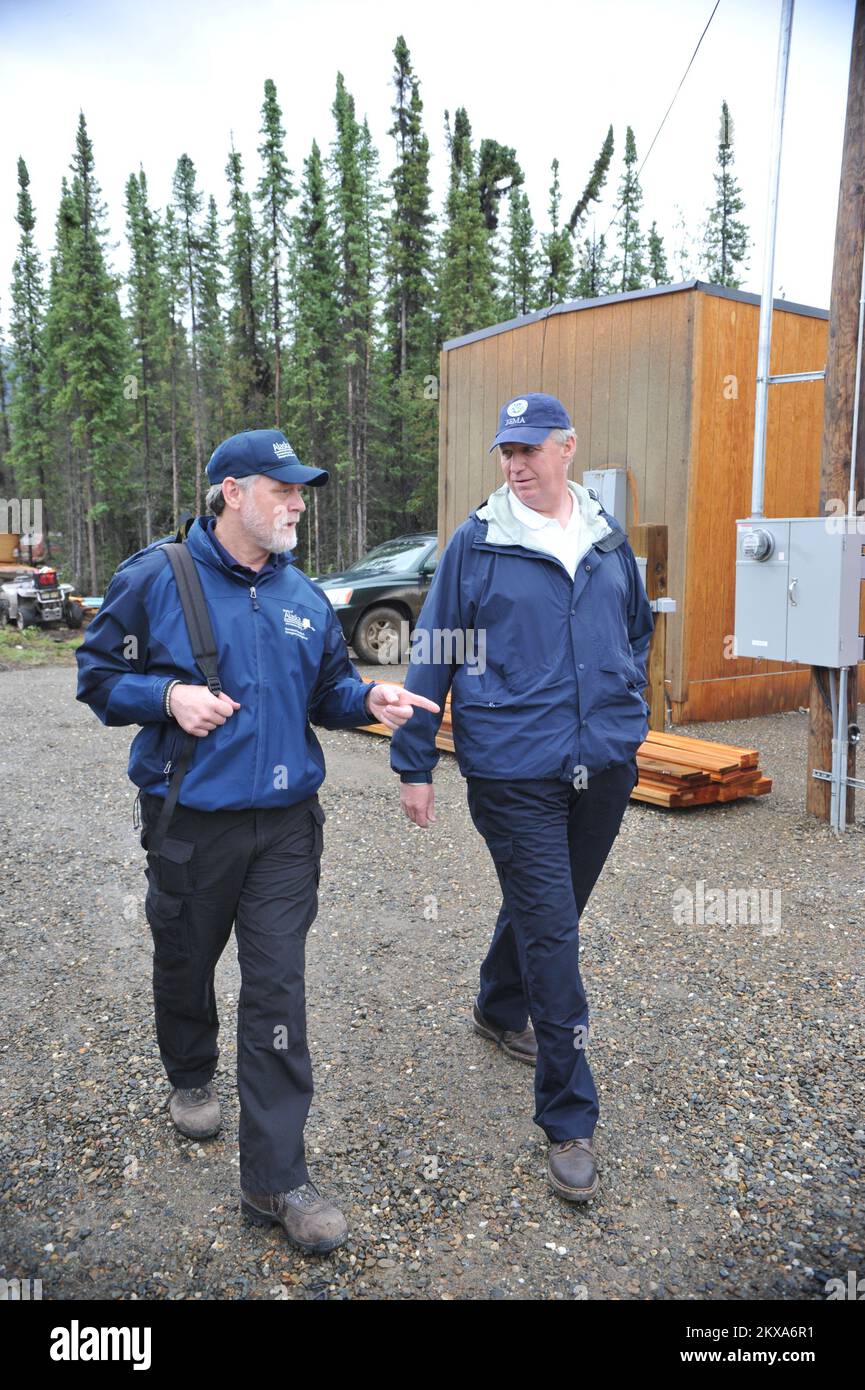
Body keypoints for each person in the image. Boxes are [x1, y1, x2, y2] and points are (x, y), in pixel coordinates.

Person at [75, 428, 437, 1254]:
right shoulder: (153, 579)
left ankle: (275, 1180)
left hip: (284, 832)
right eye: (283, 489)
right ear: (232, 492)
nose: (297, 503)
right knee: (185, 959)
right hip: (191, 827)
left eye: (301, 491)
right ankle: (190, 1071)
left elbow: (328, 690)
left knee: (277, 993)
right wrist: (167, 696)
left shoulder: (304, 596)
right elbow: (96, 678)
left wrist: (365, 703)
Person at [389, 392, 654, 1204]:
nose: (515, 463)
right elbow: (436, 646)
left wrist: (623, 706)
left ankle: (498, 1004)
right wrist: (414, 761)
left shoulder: (607, 539)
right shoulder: (479, 541)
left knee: (553, 909)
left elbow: (635, 629)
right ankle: (569, 1117)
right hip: (512, 770)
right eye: (506, 450)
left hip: (602, 762)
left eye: (530, 449)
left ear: (567, 447)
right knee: (554, 932)